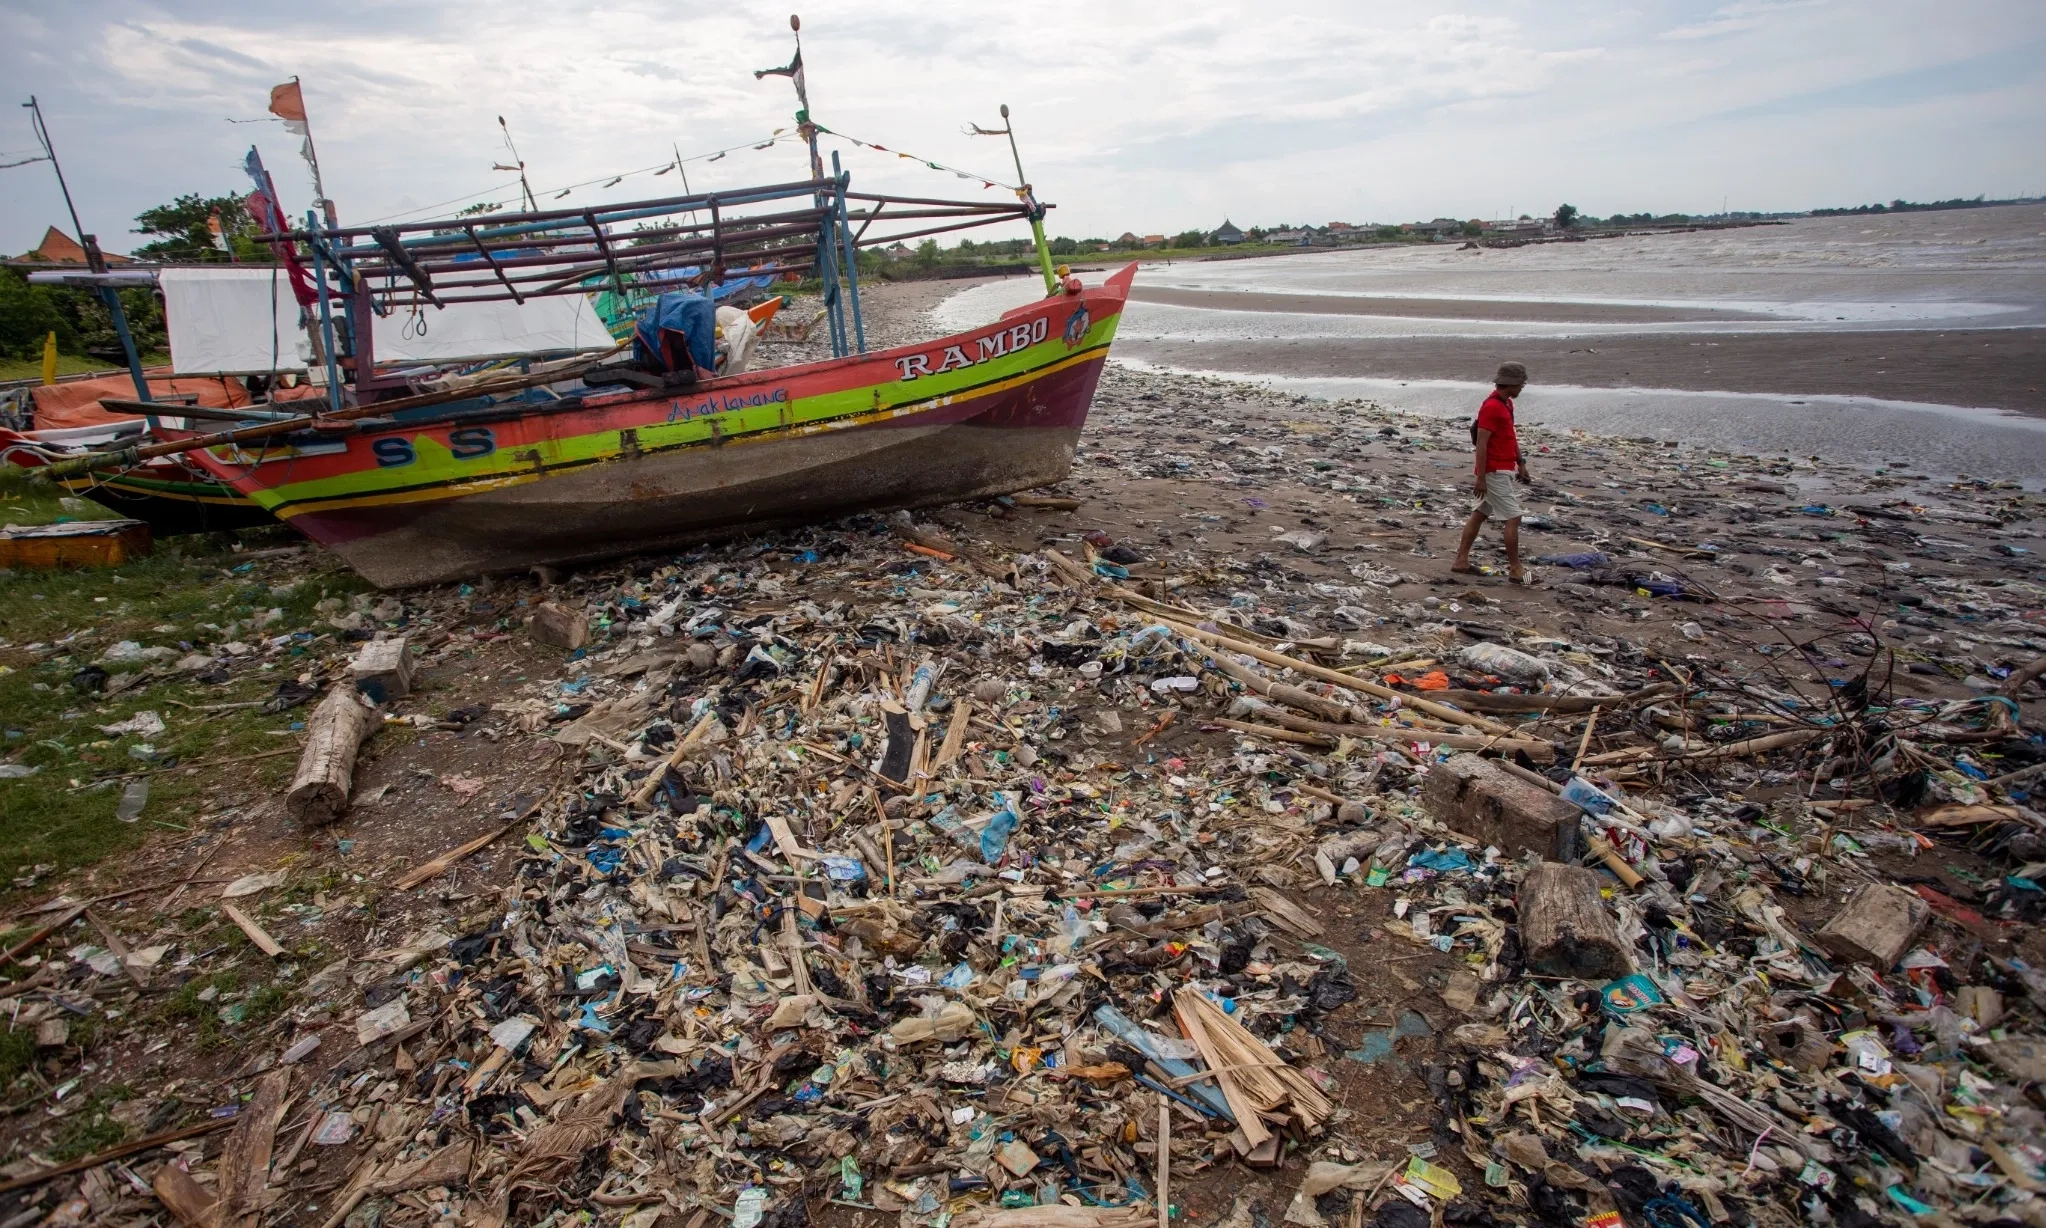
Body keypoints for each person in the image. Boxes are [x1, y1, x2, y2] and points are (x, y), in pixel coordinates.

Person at [1452, 361, 1532, 583]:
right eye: (1521, 384)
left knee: (1479, 513)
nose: (1522, 388)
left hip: (1503, 468)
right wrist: (1481, 478)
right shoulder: (1491, 407)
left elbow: (1510, 435)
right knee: (1514, 517)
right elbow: (1482, 443)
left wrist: (1520, 462)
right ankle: (1516, 570)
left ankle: (1461, 560)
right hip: (1493, 471)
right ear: (1512, 384)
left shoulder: (1507, 404)